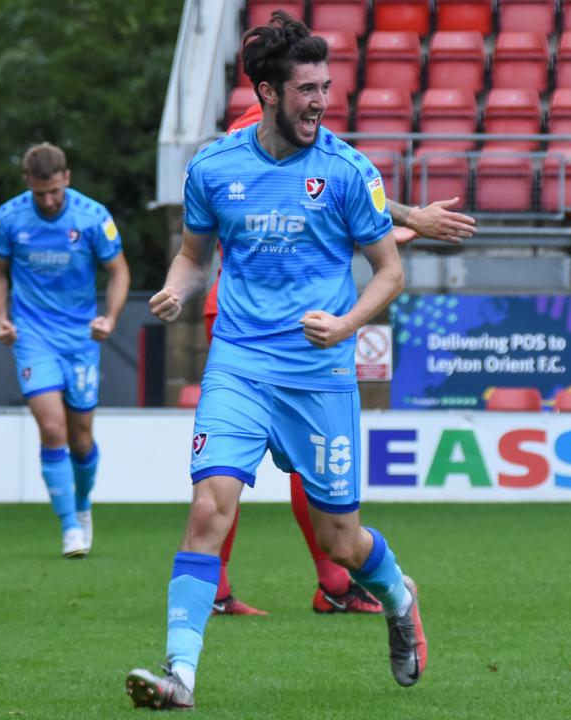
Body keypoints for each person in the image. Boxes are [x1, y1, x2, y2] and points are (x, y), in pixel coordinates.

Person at [126, 12, 427, 709]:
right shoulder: (215, 167)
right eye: (306, 90)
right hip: (238, 362)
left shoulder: (349, 171)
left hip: (319, 374)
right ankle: (181, 674)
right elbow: (195, 256)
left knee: (342, 542)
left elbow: (389, 272)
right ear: (266, 92)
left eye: (326, 88)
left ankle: (397, 596)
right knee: (209, 507)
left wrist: (348, 322)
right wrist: (174, 289)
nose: (321, 102)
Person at [207, 104, 477, 617]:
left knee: (297, 465)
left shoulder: (303, 138)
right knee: (227, 469)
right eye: (306, 84)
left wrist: (368, 228)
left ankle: (332, 581)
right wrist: (407, 214)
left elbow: (305, 213)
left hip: (279, 311)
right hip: (244, 317)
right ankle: (223, 588)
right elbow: (284, 199)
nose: (316, 99)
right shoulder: (255, 126)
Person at [0, 142, 130, 558]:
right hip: (33, 336)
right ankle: (68, 527)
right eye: (39, 192)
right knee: (52, 430)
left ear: (66, 178)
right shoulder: (9, 218)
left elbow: (118, 271)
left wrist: (110, 317)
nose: (48, 201)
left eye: (54, 191)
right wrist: (1, 317)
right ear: (27, 183)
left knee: (82, 440)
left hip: (82, 339)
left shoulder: (93, 217)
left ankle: (82, 508)